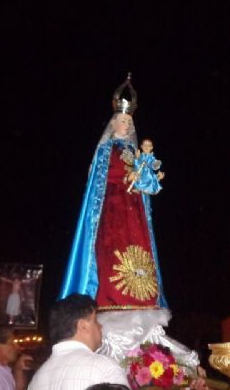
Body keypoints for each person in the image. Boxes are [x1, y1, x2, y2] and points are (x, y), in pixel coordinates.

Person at [59, 75, 167, 310]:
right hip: (112, 206)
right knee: (111, 247)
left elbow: (144, 182)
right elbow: (100, 178)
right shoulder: (105, 149)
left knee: (137, 244)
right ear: (114, 123)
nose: (127, 125)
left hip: (134, 210)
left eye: (130, 122)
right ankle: (111, 297)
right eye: (123, 121)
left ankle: (141, 298)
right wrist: (124, 177)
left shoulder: (134, 151)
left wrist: (147, 178)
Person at [27, 294, 129, 390]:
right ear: (83, 326)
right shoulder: (104, 367)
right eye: (95, 320)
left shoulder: (37, 379)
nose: (100, 326)